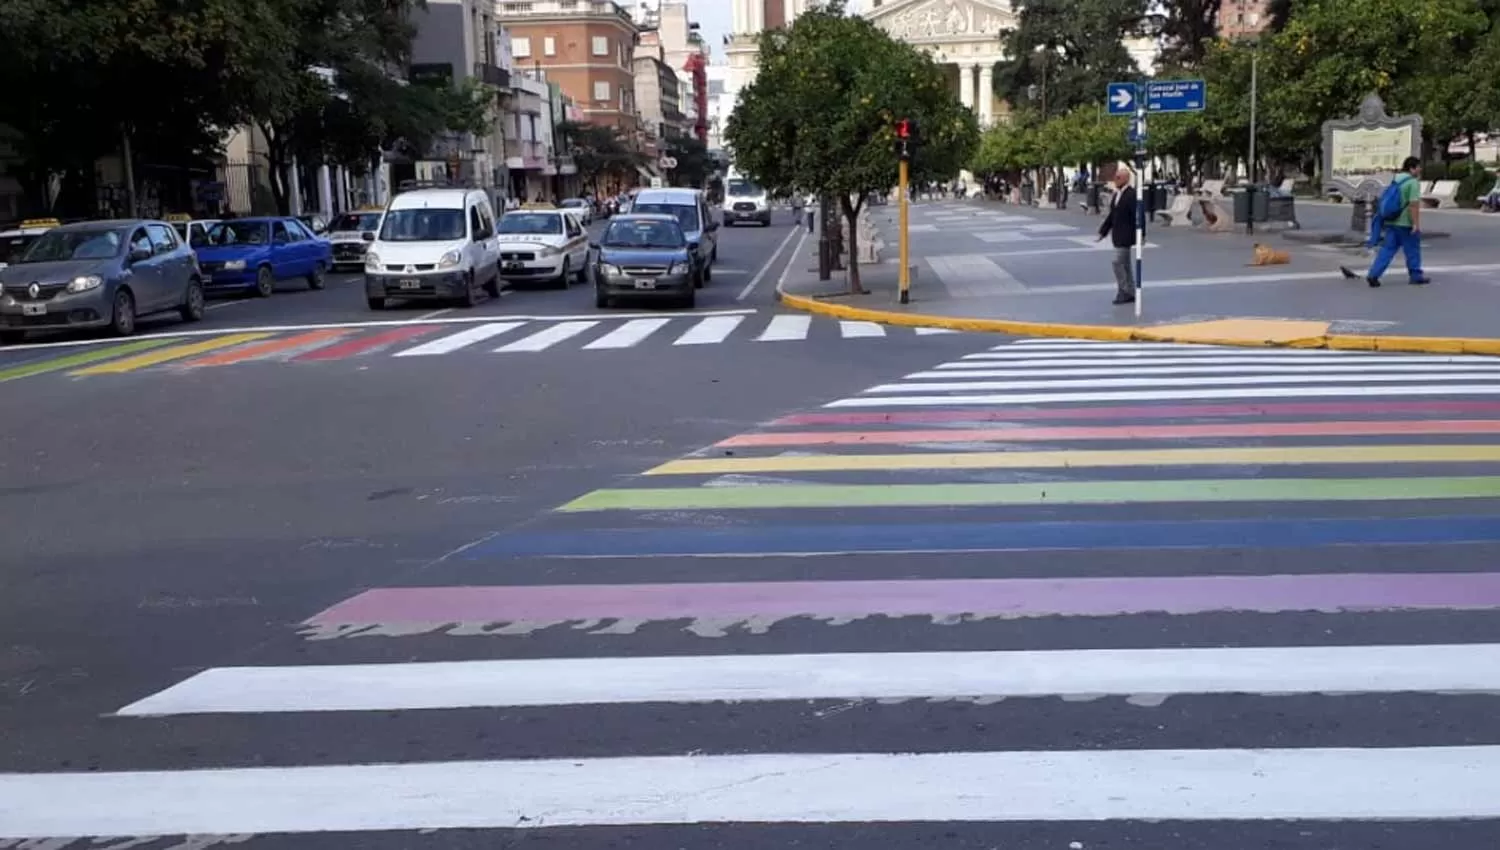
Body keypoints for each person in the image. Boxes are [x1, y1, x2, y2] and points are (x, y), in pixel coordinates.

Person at [1340, 156, 1430, 287]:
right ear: (1412, 168)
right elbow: (1413, 205)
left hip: (1391, 221)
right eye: (1418, 167)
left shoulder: (1396, 180)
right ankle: (1416, 276)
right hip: (1405, 223)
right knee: (1412, 250)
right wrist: (1416, 224)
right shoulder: (1412, 183)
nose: (1420, 169)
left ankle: (1374, 275)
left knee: (1387, 250)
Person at [1096, 166, 1139, 305]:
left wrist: (1141, 233)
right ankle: (1131, 291)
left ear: (1126, 179)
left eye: (1118, 177)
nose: (1115, 180)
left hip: (1126, 235)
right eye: (1115, 177)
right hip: (1117, 235)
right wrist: (1103, 231)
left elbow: (1138, 215)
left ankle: (1124, 290)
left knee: (1117, 263)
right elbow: (1112, 215)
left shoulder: (1132, 194)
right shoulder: (1117, 194)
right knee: (1125, 265)